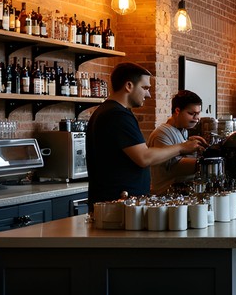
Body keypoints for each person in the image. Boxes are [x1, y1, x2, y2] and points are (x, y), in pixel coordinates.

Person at [86, 62, 205, 207]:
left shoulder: (111, 111)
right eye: (145, 88)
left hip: (121, 203)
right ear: (129, 86)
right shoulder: (116, 115)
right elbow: (144, 157)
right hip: (117, 205)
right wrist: (182, 147)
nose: (148, 94)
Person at [147, 89, 205, 195]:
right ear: (177, 111)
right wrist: (207, 163)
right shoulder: (162, 133)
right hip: (164, 197)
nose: (197, 118)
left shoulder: (183, 130)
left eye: (198, 113)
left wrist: (193, 147)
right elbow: (174, 166)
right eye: (192, 113)